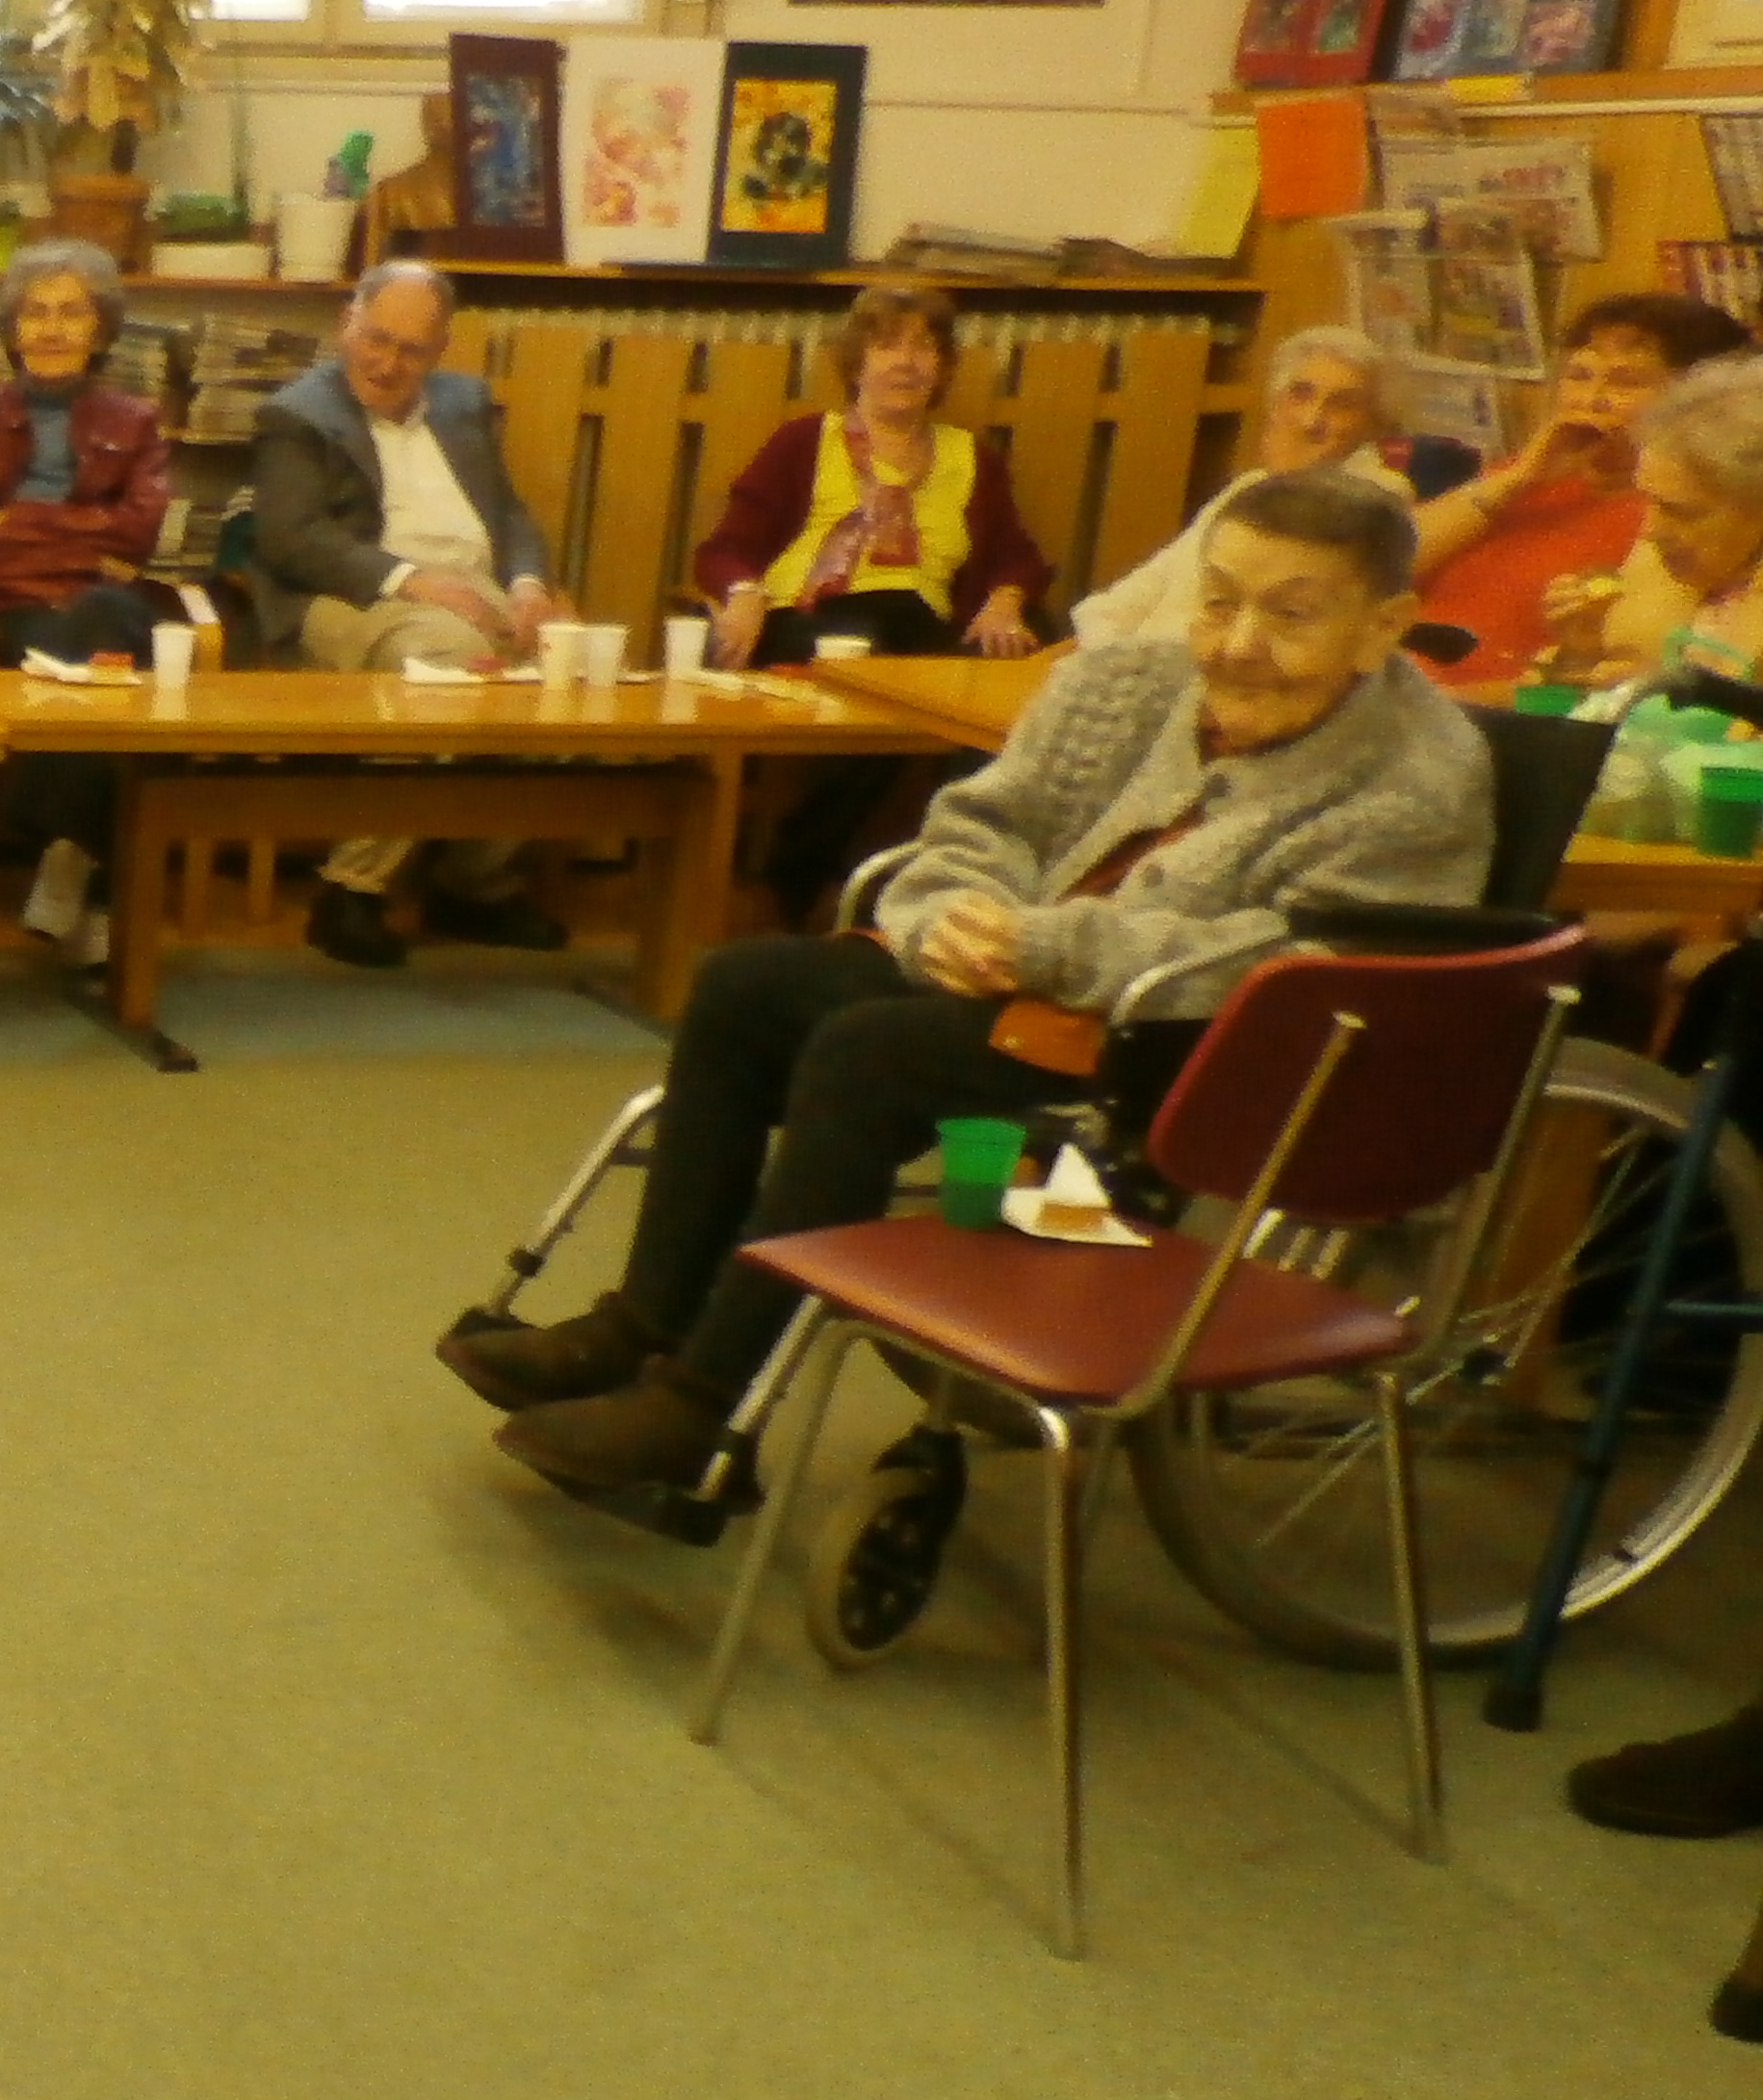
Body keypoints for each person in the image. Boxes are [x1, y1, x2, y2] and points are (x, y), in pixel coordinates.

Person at [444, 469, 1493, 1519]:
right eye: (1218, 601)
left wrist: (1046, 947)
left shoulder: (1420, 780)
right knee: (745, 984)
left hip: (1192, 1044)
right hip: (1022, 978)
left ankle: (705, 1409)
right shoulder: (1125, 683)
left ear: (1383, 627)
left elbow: (1296, 962)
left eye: (1290, 616)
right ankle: (646, 1322)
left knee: (871, 1053)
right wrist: (950, 914)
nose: (1236, 644)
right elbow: (986, 821)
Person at [244, 258, 571, 970]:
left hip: (475, 589)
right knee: (448, 667)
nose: (388, 364)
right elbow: (291, 540)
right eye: (376, 339)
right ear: (347, 324)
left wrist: (527, 586)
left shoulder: (464, 403)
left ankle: (473, 882)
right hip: (354, 593)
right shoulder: (298, 415)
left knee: (564, 673)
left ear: (441, 348)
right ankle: (351, 889)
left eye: (411, 350)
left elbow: (510, 512)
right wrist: (412, 579)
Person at [0, 239, 173, 960]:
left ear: (101, 328)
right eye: (36, 313)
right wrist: (86, 531)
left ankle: (62, 845)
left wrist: (18, 523)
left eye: (71, 313)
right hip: (8, 605)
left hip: (107, 601)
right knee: (105, 667)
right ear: (12, 327)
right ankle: (91, 884)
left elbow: (139, 536)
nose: (53, 329)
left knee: (104, 618)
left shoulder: (137, 422)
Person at [687, 283, 1049, 665]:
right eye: (886, 346)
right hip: (812, 620)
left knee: (1027, 637)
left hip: (924, 630)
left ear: (942, 367)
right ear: (856, 363)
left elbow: (1017, 558)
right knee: (865, 638)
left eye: (923, 347)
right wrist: (744, 595)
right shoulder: (805, 441)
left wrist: (1005, 604)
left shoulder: (973, 458)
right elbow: (726, 550)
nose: (905, 362)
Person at [1410, 289, 1752, 686]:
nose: (1591, 400)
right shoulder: (1521, 477)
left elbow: (1628, 670)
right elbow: (1383, 561)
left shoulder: (1680, 515)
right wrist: (1513, 480)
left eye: (1625, 382)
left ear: (1698, 405)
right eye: (1579, 377)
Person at [1070, 325, 1412, 650]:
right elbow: (1124, 600)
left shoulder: (1375, 499)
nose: (1312, 419)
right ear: (1276, 404)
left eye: (1342, 405)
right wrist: (1100, 652)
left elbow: (1252, 621)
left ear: (1374, 424)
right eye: (1301, 394)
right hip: (1136, 662)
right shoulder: (1250, 486)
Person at [1576, 351, 1763, 697]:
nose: (1651, 531)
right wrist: (1587, 652)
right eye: (1650, 502)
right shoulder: (1693, 575)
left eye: (1683, 512)